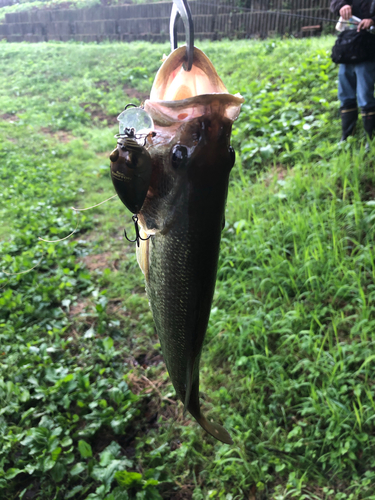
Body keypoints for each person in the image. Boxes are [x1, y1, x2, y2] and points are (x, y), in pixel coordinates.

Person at [330, 1, 375, 142]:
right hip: (347, 48)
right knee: (345, 93)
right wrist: (341, 6)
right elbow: (335, 3)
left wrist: (373, 20)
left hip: (368, 49)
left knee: (365, 95)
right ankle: (347, 135)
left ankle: (370, 137)